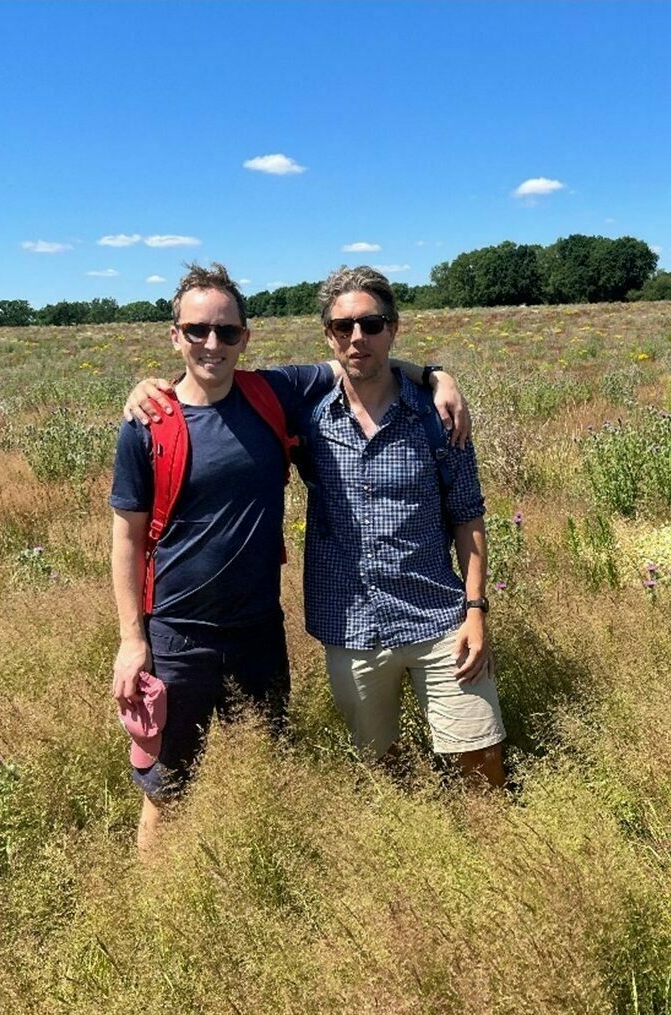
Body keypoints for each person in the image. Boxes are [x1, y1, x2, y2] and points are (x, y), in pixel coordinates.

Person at [110, 262, 468, 849]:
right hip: (176, 633)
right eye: (196, 330)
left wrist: (436, 375)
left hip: (258, 631)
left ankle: (259, 875)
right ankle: (150, 907)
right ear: (174, 335)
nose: (211, 344)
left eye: (227, 332)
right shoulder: (148, 425)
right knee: (165, 787)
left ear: (245, 338)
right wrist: (133, 639)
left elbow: (360, 362)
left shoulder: (271, 393)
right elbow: (126, 536)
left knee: (264, 767)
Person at [300, 267, 505, 787]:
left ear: (394, 328)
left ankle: (493, 855)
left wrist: (476, 610)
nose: (357, 337)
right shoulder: (308, 419)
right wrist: (154, 387)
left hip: (441, 620)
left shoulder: (438, 417)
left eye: (371, 324)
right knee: (384, 770)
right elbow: (220, 385)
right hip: (351, 626)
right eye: (343, 326)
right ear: (328, 334)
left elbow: (468, 515)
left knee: (480, 762)